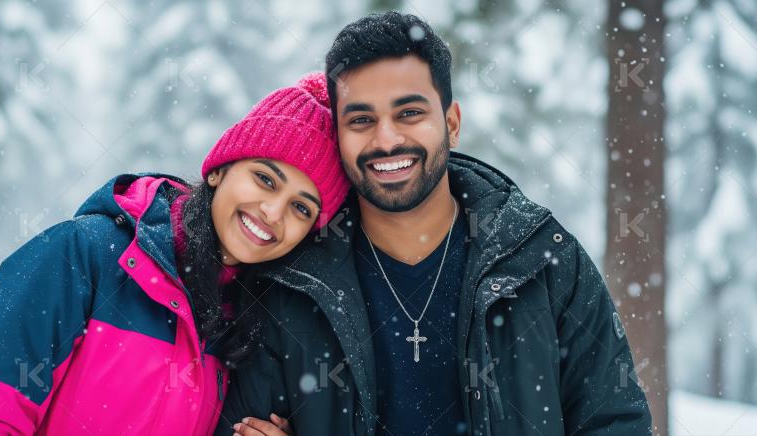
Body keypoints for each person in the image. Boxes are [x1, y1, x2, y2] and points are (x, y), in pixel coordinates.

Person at [222, 12, 651, 436]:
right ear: (339, 137)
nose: (386, 140)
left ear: (451, 123)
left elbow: (616, 421)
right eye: (361, 120)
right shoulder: (292, 285)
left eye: (408, 113)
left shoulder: (543, 259)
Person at [0, 73, 348, 435]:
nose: (272, 212)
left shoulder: (247, 323)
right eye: (264, 179)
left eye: (302, 208)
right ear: (219, 170)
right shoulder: (80, 255)